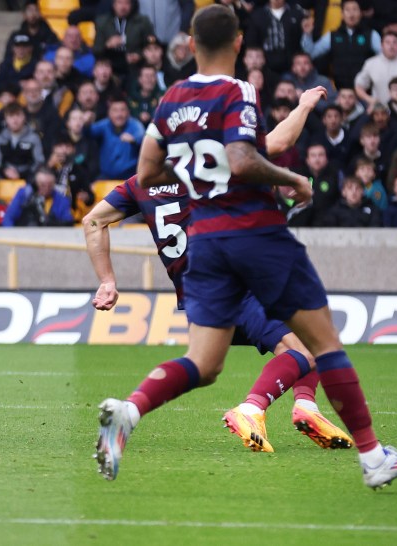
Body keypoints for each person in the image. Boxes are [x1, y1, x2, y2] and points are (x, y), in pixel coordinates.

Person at [93, 5, 397, 489]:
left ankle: (127, 413)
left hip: (203, 245)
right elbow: (245, 159)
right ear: (239, 44)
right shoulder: (237, 90)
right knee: (321, 344)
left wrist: (196, 169)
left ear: (189, 45)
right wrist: (294, 179)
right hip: (254, 234)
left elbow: (145, 173)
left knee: (203, 364)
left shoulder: (169, 100)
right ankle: (374, 458)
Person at [85, 83, 352, 454]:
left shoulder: (139, 185)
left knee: (207, 366)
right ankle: (253, 407)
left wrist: (107, 281)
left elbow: (93, 222)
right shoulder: (208, 169)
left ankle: (305, 407)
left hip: (196, 293)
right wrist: (304, 106)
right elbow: (277, 141)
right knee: (309, 342)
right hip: (232, 278)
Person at [2, 166, 74, 227]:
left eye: (50, 185)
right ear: (35, 183)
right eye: (42, 185)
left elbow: (68, 222)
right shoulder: (24, 194)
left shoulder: (61, 199)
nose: (46, 188)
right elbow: (8, 218)